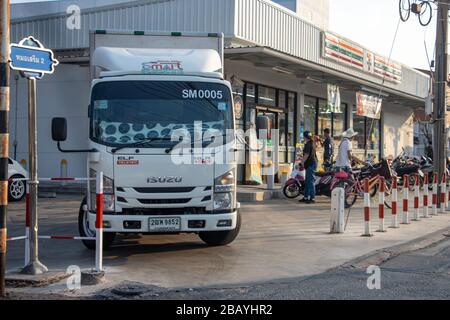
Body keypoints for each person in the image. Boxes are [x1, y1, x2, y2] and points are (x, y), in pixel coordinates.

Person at [299, 131, 317, 204]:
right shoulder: (311, 143)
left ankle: (312, 198)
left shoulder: (308, 144)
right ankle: (306, 197)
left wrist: (302, 162)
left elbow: (306, 155)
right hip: (311, 164)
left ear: (305, 137)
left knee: (310, 181)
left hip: (311, 164)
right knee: (307, 181)